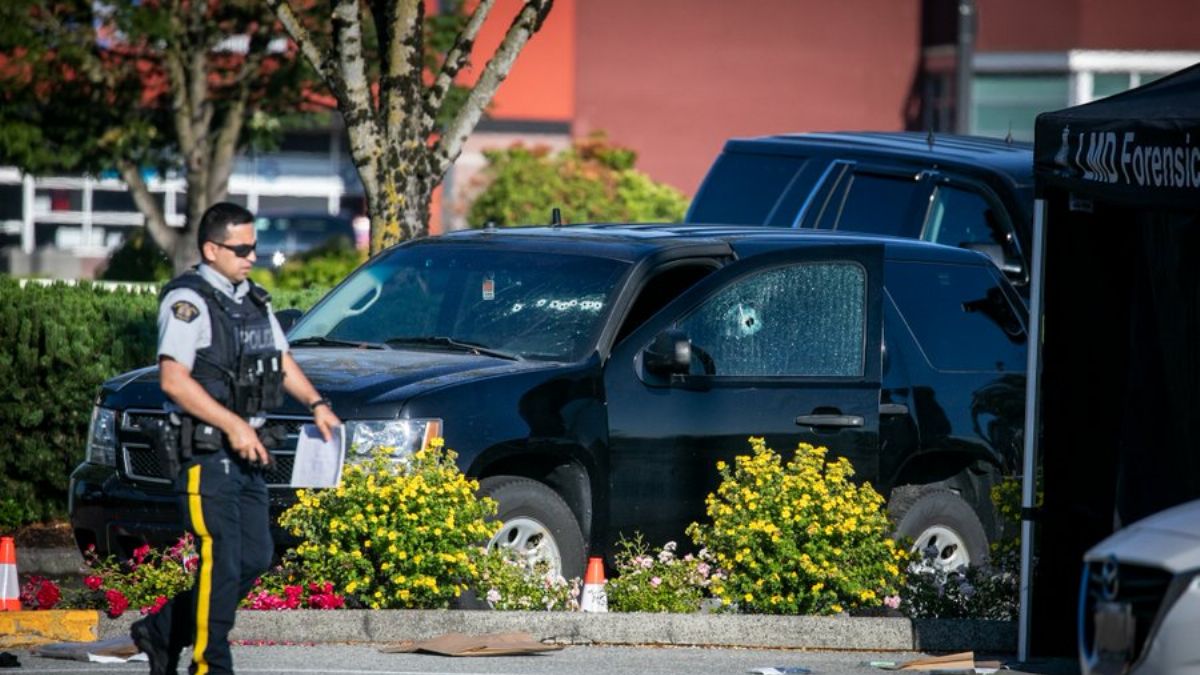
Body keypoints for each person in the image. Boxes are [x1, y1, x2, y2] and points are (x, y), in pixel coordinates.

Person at [130, 202, 340, 675]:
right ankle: (210, 664)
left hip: (248, 453)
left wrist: (317, 404)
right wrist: (234, 424)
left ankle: (163, 631)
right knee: (222, 559)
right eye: (241, 249)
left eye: (254, 248)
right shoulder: (189, 302)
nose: (251, 257)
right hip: (207, 452)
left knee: (255, 557)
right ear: (211, 248)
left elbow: (281, 361)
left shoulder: (252, 299)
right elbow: (174, 380)